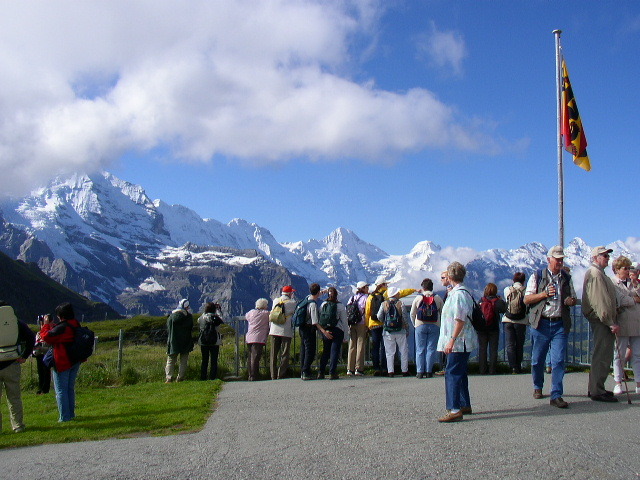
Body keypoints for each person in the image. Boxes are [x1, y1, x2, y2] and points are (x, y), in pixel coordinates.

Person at [524, 246, 577, 408]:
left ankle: (556, 395)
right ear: (549, 259)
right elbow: (527, 299)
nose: (560, 262)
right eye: (557, 259)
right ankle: (537, 386)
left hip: (559, 322)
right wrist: (544, 294)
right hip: (541, 323)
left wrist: (570, 301)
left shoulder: (566, 277)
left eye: (561, 259)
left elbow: (573, 297)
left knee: (558, 360)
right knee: (537, 360)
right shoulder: (537, 276)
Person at [436, 262, 477, 422]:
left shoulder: (459, 294)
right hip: (461, 341)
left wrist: (451, 341)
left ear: (451, 276)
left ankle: (454, 409)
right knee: (460, 373)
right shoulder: (459, 292)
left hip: (459, 341)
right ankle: (464, 404)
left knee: (452, 373)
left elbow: (459, 320)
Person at [582, 246, 619, 402]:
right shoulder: (596, 274)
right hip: (602, 320)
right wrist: (610, 322)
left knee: (602, 353)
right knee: (602, 354)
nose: (607, 258)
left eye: (607, 255)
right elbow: (600, 301)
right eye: (604, 255)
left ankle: (596, 387)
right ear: (596, 257)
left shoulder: (599, 273)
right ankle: (597, 390)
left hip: (601, 320)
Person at [40, 302, 83, 422]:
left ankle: (64, 417)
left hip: (63, 361)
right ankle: (71, 414)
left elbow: (46, 337)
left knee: (60, 390)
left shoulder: (63, 327)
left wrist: (46, 325)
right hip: (75, 360)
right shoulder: (75, 323)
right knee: (69, 388)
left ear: (61, 315)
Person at [0, 301, 36, 432]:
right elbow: (31, 337)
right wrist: (25, 355)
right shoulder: (16, 323)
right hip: (12, 363)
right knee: (14, 397)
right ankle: (18, 426)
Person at [610, 256, 640, 395]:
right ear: (617, 269)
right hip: (621, 322)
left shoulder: (634, 283)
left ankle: (638, 383)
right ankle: (618, 382)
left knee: (637, 355)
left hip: (636, 322)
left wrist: (635, 286)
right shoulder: (613, 283)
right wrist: (634, 299)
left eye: (629, 268)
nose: (628, 271)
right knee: (619, 355)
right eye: (625, 268)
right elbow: (619, 300)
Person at [410, 278, 444, 378]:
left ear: (423, 287)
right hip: (434, 325)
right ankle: (429, 371)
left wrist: (415, 324)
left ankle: (420, 372)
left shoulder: (418, 298)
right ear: (432, 287)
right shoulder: (437, 298)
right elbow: (443, 312)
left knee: (420, 349)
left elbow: (412, 313)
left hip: (420, 324)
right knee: (431, 348)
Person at [317, 287, 348, 379]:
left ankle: (321, 372)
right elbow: (344, 321)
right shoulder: (340, 306)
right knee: (334, 351)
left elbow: (320, 319)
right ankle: (332, 372)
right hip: (337, 330)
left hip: (326, 331)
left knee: (326, 351)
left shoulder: (323, 304)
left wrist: (321, 332)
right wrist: (346, 335)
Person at [378, 287, 410, 377]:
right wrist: (407, 329)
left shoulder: (384, 304)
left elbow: (379, 316)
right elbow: (404, 318)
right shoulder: (401, 303)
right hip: (401, 331)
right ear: (395, 294)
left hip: (387, 331)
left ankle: (390, 371)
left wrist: (385, 322)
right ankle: (404, 370)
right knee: (403, 351)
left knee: (389, 352)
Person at [477, 283, 506, 375]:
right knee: (493, 349)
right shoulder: (498, 301)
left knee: (482, 349)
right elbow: (505, 309)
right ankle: (492, 370)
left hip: (482, 328)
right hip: (494, 327)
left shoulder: (481, 300)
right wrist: (501, 300)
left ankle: (482, 370)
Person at [502, 272, 528, 374]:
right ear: (523, 280)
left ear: (513, 280)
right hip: (521, 320)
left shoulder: (507, 290)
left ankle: (513, 367)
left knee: (510, 344)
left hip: (508, 319)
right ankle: (518, 365)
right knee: (519, 344)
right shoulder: (526, 291)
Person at [269, 286, 296, 380]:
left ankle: (272, 374)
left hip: (274, 329)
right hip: (285, 330)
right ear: (289, 293)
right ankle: (281, 373)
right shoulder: (292, 303)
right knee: (285, 353)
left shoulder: (275, 300)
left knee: (273, 353)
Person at [165, 299, 194, 383]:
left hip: (173, 341)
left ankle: (169, 377)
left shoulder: (171, 317)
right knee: (183, 360)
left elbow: (168, 328)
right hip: (185, 341)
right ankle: (180, 377)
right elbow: (190, 328)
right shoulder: (188, 317)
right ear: (186, 307)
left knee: (171, 360)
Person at [299, 283, 322, 380]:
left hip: (302, 327)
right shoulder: (313, 304)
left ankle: (303, 370)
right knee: (310, 350)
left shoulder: (307, 299)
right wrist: (322, 331)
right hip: (309, 329)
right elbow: (315, 320)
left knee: (303, 349)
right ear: (318, 292)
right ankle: (306, 371)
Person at [346, 281, 369, 376]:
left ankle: (349, 369)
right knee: (360, 345)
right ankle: (358, 368)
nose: (368, 289)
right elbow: (367, 312)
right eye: (366, 287)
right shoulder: (366, 298)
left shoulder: (351, 298)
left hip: (352, 324)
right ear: (363, 288)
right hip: (361, 323)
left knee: (352, 345)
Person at [365, 280, 387, 376]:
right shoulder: (386, 294)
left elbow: (367, 312)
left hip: (373, 324)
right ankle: (385, 367)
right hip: (384, 323)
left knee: (375, 347)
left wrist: (367, 325)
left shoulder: (371, 296)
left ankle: (376, 368)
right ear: (382, 285)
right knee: (384, 346)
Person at [245, 298, 270, 381]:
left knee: (250, 357)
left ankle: (250, 374)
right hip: (258, 338)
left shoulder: (251, 312)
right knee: (256, 357)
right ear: (264, 306)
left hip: (249, 337)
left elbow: (246, 317)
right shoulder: (266, 314)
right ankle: (254, 375)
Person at [197, 302, 223, 380]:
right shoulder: (216, 319)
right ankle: (213, 377)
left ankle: (203, 377)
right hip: (215, 341)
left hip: (203, 341)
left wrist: (206, 311)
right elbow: (221, 319)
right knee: (214, 360)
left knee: (204, 360)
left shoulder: (201, 318)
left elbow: (199, 320)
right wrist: (218, 310)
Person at [33, 315, 52, 394]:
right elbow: (36, 342)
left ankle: (45, 389)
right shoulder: (38, 333)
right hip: (39, 354)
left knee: (46, 372)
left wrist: (41, 348)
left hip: (46, 354)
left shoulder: (51, 332)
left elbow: (51, 347)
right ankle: (40, 387)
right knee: (40, 372)